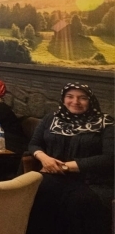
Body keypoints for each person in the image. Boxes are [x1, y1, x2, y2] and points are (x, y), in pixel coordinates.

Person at [27, 83, 113, 234]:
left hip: (91, 180)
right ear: (63, 99)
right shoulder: (51, 119)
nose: (75, 102)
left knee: (77, 202)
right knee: (36, 191)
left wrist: (65, 167)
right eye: (70, 96)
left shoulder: (105, 122)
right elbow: (34, 144)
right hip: (53, 175)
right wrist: (44, 158)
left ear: (91, 100)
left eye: (82, 98)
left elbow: (110, 157)